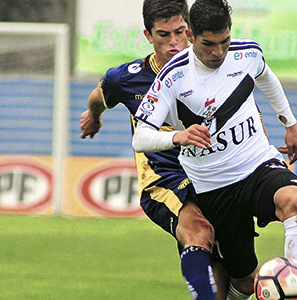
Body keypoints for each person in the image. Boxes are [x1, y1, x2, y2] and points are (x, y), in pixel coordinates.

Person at [131, 0, 297, 298]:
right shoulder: (172, 78)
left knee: (294, 201)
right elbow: (140, 138)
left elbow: (265, 76)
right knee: (243, 280)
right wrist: (177, 137)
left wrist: (290, 123)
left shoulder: (247, 53)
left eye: (224, 42)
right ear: (191, 36)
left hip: (257, 164)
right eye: (209, 44)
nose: (218, 52)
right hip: (214, 187)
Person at [79, 1, 229, 299]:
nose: (173, 43)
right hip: (163, 179)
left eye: (178, 33)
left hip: (213, 174)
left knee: (238, 276)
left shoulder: (214, 68)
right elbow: (98, 96)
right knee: (200, 232)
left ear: (189, 30)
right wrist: (94, 117)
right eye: (163, 35)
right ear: (148, 35)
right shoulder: (127, 78)